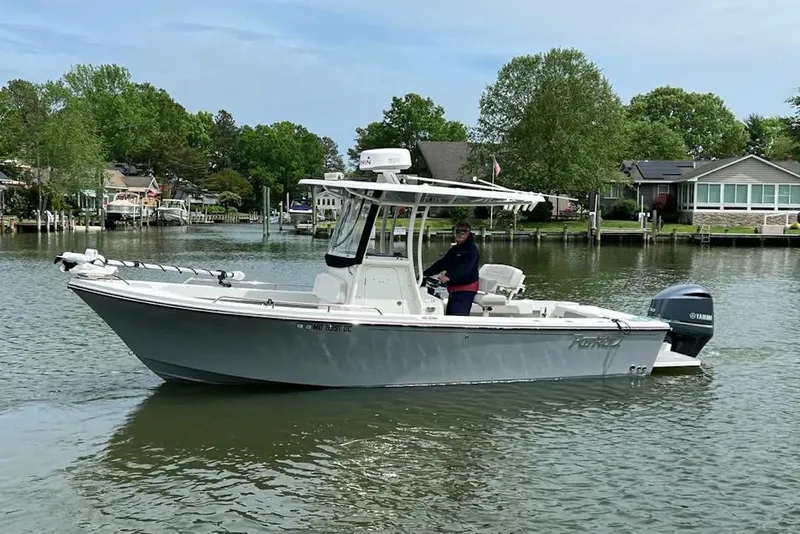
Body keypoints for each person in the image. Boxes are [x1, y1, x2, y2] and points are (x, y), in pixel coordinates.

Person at [422, 221, 480, 316]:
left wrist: (449, 276)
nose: (460, 234)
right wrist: (425, 273)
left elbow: (465, 268)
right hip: (454, 289)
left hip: (465, 289)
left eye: (463, 231)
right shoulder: (455, 249)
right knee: (450, 315)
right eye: (458, 231)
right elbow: (442, 263)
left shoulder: (471, 250)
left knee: (457, 318)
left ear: (469, 233)